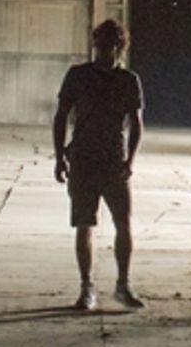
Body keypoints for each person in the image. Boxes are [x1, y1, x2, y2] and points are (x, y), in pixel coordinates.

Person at [52, 19, 146, 311]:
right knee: (84, 225)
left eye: (106, 47)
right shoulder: (78, 76)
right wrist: (58, 157)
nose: (101, 52)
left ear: (118, 48)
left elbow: (137, 124)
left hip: (113, 161)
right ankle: (87, 287)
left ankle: (123, 285)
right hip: (82, 160)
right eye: (98, 46)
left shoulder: (129, 80)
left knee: (123, 223)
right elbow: (61, 115)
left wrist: (130, 161)